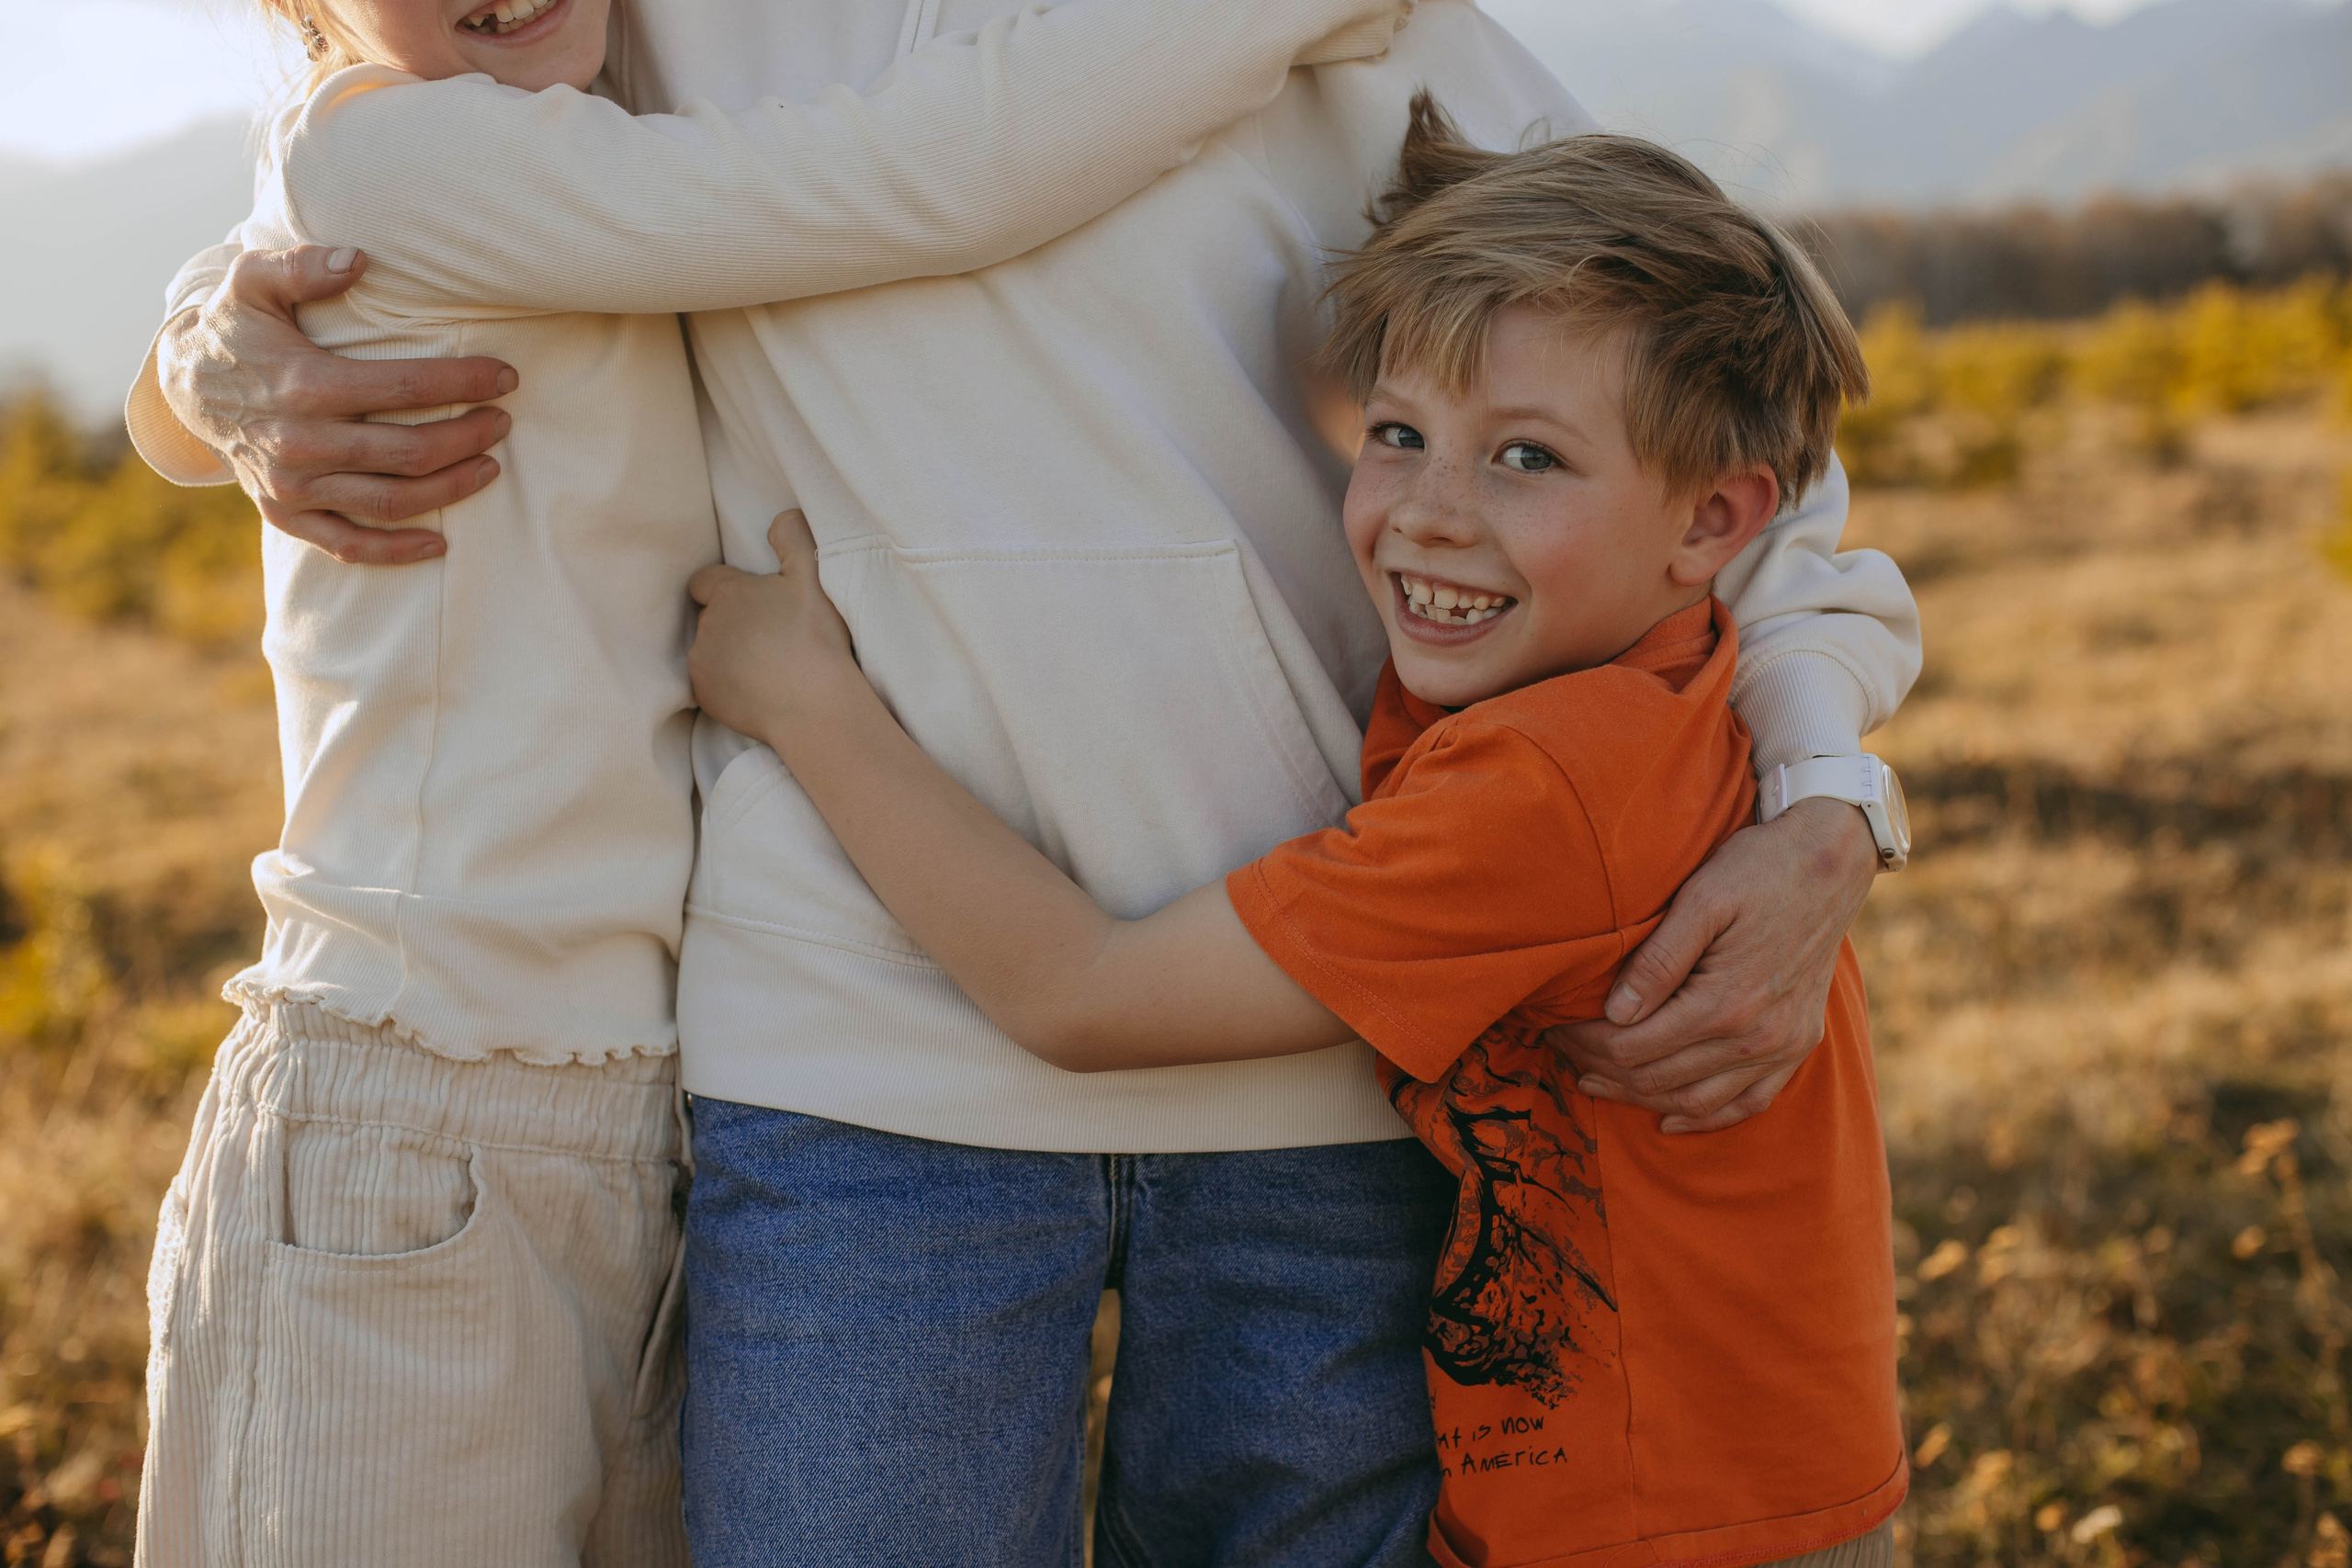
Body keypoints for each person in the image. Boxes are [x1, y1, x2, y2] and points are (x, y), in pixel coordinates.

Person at [132, 1, 1922, 1560]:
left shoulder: (1378, 23)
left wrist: (1825, 786)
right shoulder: (636, 19)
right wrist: (206, 354)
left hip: (1316, 1065)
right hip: (850, 1071)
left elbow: (1718, 404)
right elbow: (398, 168)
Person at [684, 100, 1905, 1568]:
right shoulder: (1652, 681)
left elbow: (1083, 994)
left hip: (1678, 1534)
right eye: (1399, 435)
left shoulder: (1549, 781)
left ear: (1714, 525)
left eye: (1527, 459)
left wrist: (808, 704)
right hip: (1709, 1497)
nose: (1430, 512)